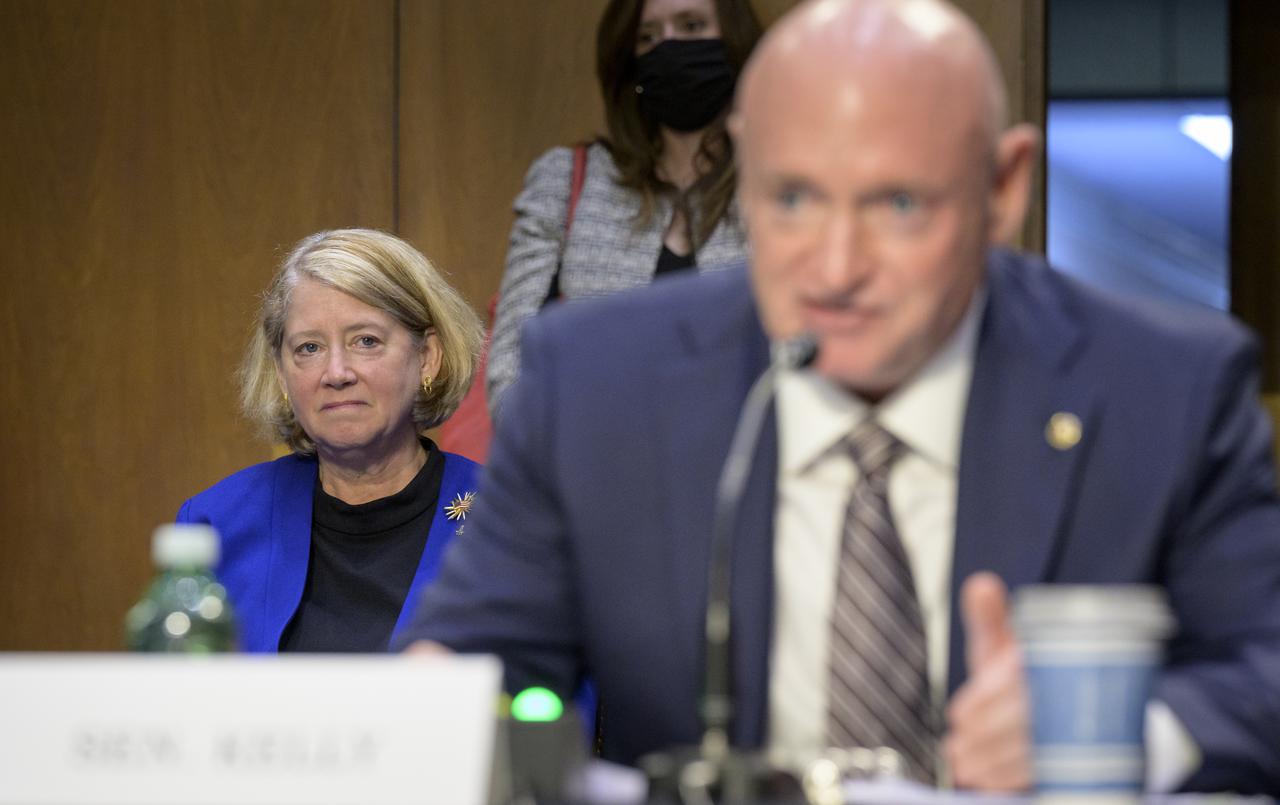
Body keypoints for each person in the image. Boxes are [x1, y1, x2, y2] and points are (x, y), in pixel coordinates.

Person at [401, 0, 1280, 795]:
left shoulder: (1163, 387)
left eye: (898, 204)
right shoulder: (601, 382)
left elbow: (1264, 670)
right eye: (792, 200)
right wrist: (448, 701)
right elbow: (488, 659)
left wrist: (1117, 734)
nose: (835, 268)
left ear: (1004, 188)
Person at [178, 229, 483, 653]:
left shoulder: (509, 521)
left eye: (366, 341)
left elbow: (554, 705)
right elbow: (174, 704)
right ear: (282, 373)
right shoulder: (216, 525)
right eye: (309, 348)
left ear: (427, 358)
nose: (336, 372)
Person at [484, 0, 760, 415]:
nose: (669, 47)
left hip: (749, 463)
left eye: (691, 25)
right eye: (648, 37)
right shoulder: (565, 179)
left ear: (735, 42)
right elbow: (511, 366)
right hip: (591, 464)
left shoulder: (789, 184)